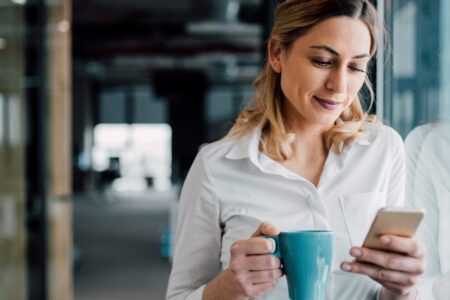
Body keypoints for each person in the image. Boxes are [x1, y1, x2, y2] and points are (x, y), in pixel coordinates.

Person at [166, 0, 426, 299]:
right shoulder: (216, 166)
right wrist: (226, 289)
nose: (339, 86)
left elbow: (387, 290)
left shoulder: (383, 149)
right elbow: (179, 295)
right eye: (322, 62)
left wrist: (403, 289)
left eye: (355, 66)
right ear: (277, 54)